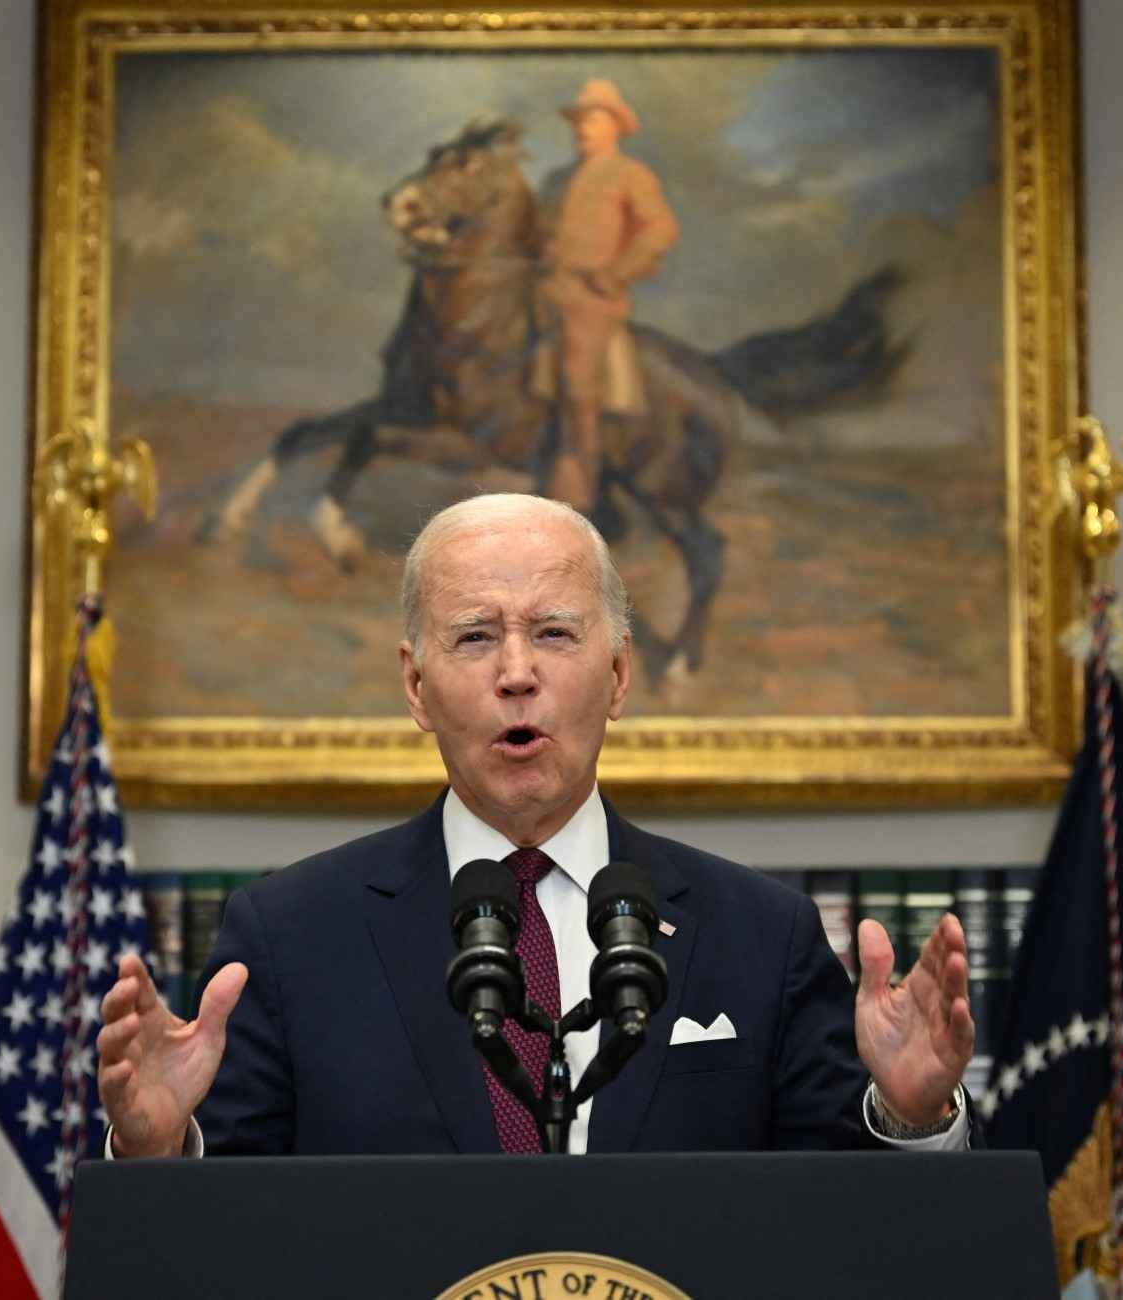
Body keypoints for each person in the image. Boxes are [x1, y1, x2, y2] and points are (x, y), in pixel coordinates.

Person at [98, 493, 976, 1157]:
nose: (517, 673)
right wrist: (159, 1152)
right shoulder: (289, 938)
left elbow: (845, 1236)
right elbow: (224, 1240)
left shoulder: (762, 935)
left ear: (621, 675)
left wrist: (910, 1113)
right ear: (415, 687)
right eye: (475, 638)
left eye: (554, 633)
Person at [532, 80, 680, 518]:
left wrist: (616, 273)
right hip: (544, 290)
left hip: (591, 299)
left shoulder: (630, 175)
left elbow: (660, 230)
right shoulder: (556, 180)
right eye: (578, 120)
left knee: (578, 380)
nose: (582, 127)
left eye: (593, 118)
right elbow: (536, 233)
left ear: (616, 125)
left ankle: (579, 487)